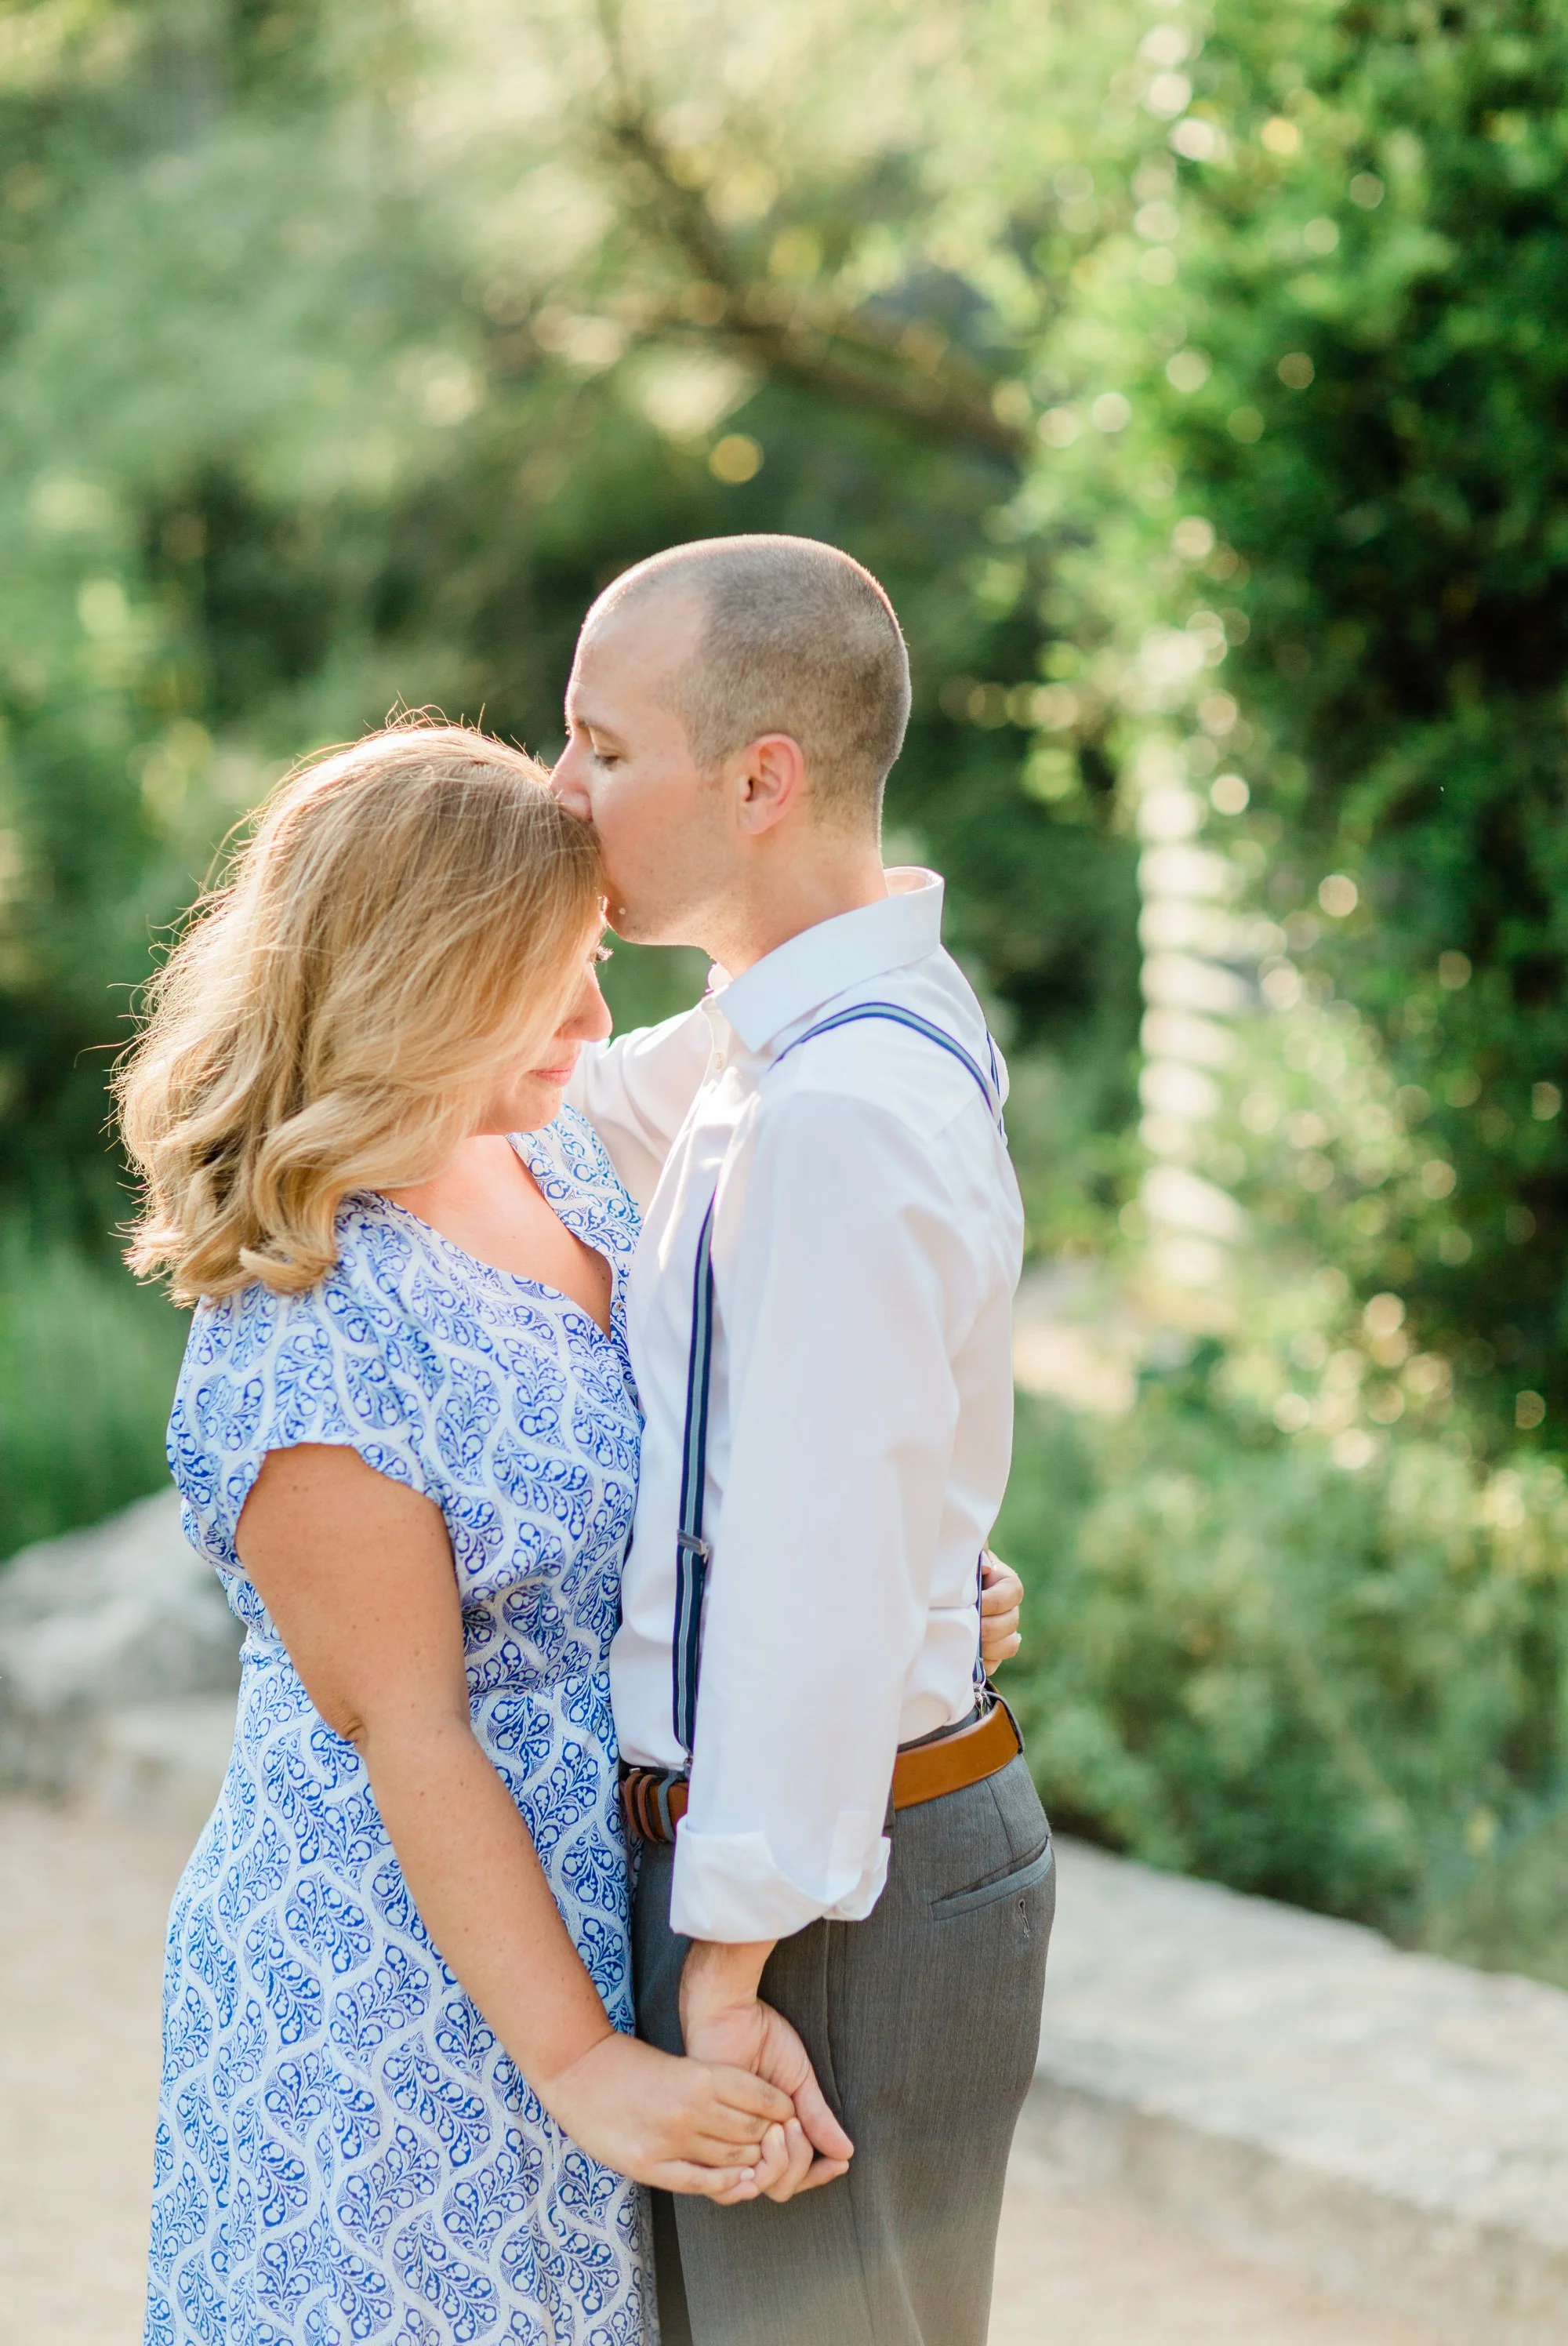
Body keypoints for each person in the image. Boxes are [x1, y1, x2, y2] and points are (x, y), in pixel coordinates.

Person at [117, 728, 820, 2346]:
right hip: (391, 1990)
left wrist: (887, 1589)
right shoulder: (310, 1317)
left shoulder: (545, 1152)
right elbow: (409, 1729)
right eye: (544, 985)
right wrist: (585, 2064)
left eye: (590, 968)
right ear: (421, 987)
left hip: (588, 1907)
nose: (595, 1023)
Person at [553, 534, 1053, 2346]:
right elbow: (536, 1115)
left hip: (835, 1885)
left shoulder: (839, 1102)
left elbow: (814, 1576)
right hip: (814, 1841)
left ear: (761, 779)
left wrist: (729, 1959)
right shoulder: (773, 1047)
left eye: (606, 747)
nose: (562, 791)